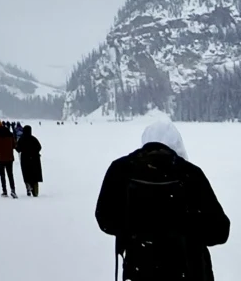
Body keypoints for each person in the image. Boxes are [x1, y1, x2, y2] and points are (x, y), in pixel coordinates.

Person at [94, 120, 229, 280]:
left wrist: (136, 230)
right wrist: (186, 228)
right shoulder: (191, 174)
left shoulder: (121, 170)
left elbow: (105, 219)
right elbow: (219, 231)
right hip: (188, 270)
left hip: (139, 270)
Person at [0, 118, 18, 197]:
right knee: (10, 174)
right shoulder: (10, 134)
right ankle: (13, 190)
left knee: (2, 175)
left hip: (0, 158)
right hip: (9, 158)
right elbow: (14, 145)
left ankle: (4, 191)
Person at [15, 122, 44, 197]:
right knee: (35, 176)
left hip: (25, 159)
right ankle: (35, 192)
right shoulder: (34, 139)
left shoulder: (21, 139)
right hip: (35, 159)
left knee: (26, 175)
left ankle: (28, 186)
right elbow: (39, 147)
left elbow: (18, 149)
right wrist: (34, 152)